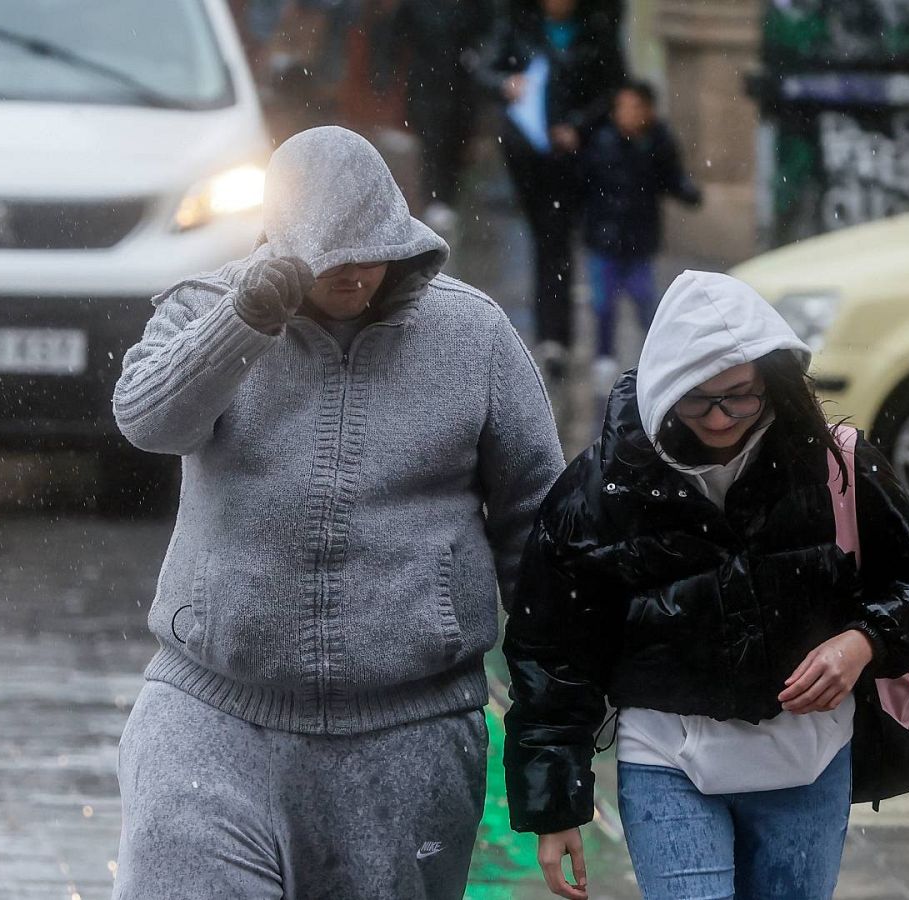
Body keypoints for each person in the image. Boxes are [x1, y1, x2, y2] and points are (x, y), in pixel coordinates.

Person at [110, 127, 564, 900]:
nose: (354, 271)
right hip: (211, 713)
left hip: (407, 734)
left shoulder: (475, 336)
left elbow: (542, 534)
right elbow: (149, 421)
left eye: (371, 247)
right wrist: (243, 322)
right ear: (282, 243)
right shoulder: (205, 307)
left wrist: (556, 720)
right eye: (331, 254)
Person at [502, 270, 909, 899]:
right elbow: (552, 652)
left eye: (741, 396)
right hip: (665, 759)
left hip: (808, 762)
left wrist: (861, 642)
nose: (722, 417)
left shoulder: (837, 467)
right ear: (666, 388)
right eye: (699, 399)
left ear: (771, 380)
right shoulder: (600, 493)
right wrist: (555, 804)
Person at [479, 0, 626, 379]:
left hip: (576, 156)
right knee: (547, 238)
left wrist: (578, 126)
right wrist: (506, 85)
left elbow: (612, 90)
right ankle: (552, 336)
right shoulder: (518, 26)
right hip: (529, 154)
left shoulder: (596, 33)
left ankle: (565, 337)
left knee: (564, 239)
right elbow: (487, 68)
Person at [579, 79, 701, 390]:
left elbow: (671, 178)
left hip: (639, 239)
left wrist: (687, 191)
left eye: (634, 107)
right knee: (604, 303)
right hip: (604, 238)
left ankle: (656, 360)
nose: (628, 114)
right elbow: (581, 182)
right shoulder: (602, 141)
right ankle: (604, 356)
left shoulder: (658, 142)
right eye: (622, 107)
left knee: (645, 302)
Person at [380, 0, 496, 243]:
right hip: (427, 82)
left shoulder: (471, 8)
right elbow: (395, 36)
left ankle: (446, 196)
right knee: (432, 140)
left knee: (455, 140)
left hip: (461, 82)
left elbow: (487, 33)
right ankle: (435, 198)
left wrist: (478, 57)